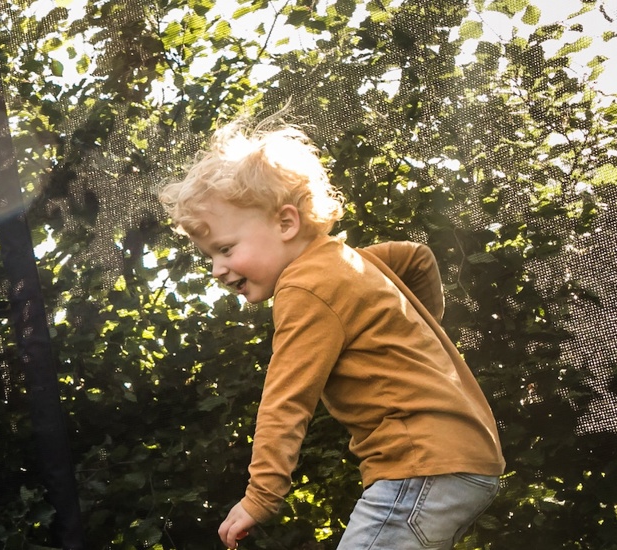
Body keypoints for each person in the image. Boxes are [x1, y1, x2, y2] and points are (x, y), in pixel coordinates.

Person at [155, 120, 504, 549]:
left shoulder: (305, 287)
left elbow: (287, 398)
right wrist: (414, 337)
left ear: (286, 223)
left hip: (420, 464)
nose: (216, 269)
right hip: (459, 457)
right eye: (210, 256)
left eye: (226, 249)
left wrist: (261, 496)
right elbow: (416, 258)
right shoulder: (349, 264)